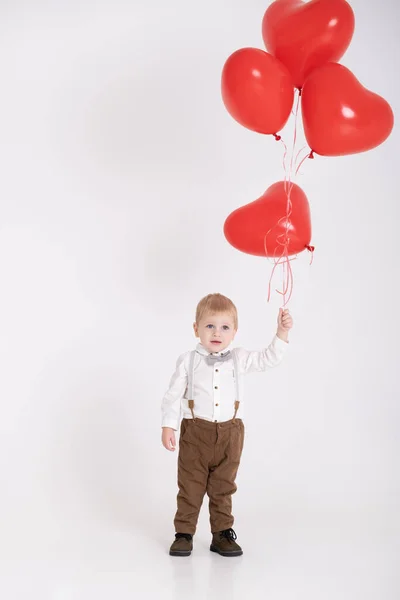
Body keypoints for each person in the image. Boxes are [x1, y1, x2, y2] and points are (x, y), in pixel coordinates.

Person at [161, 293, 293, 557]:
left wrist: (281, 332)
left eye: (224, 327)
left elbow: (268, 359)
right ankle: (183, 533)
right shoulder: (187, 360)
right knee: (190, 485)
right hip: (196, 433)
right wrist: (168, 425)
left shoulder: (239, 358)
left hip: (230, 434)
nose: (216, 333)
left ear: (234, 331)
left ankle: (221, 534)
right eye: (209, 326)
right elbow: (173, 395)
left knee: (223, 486)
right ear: (196, 328)